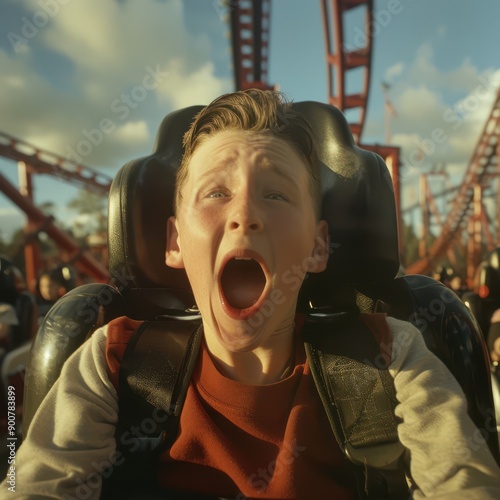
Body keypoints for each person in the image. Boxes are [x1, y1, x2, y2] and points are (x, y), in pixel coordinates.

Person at [2, 89, 500, 499]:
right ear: (175, 242)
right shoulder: (112, 361)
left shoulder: (393, 354)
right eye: (216, 193)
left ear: (319, 245)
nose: (245, 214)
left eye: (277, 194)